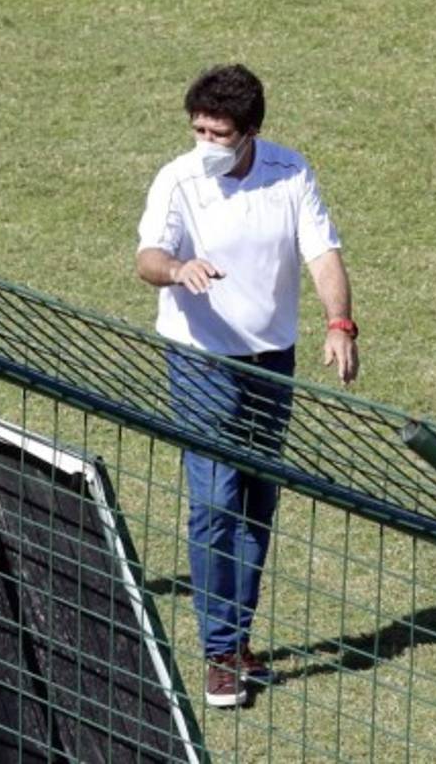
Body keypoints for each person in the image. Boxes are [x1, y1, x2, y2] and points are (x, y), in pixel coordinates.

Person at [135, 64, 359, 708]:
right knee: (214, 500)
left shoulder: (291, 173)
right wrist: (177, 269)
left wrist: (339, 322)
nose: (205, 141)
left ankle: (236, 640)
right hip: (201, 360)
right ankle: (219, 654)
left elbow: (322, 252)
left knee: (258, 498)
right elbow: (147, 257)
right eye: (197, 128)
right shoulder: (177, 179)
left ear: (250, 132)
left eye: (218, 132)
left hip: (271, 360)